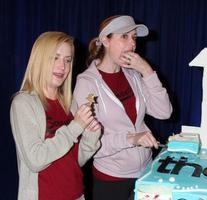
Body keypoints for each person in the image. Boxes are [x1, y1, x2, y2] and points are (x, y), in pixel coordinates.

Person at [73, 15, 173, 200]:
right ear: (105, 41)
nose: (132, 44)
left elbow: (164, 112)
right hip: (111, 180)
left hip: (145, 172)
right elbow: (88, 145)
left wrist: (147, 71)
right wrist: (130, 139)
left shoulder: (134, 76)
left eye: (134, 37)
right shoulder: (86, 83)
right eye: (124, 37)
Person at [10, 31, 101, 200]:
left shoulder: (69, 103)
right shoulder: (23, 103)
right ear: (40, 60)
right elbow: (36, 160)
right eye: (55, 58)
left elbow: (74, 161)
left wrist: (91, 134)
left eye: (67, 60)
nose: (63, 67)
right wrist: (75, 127)